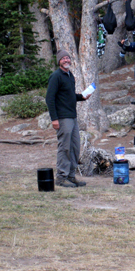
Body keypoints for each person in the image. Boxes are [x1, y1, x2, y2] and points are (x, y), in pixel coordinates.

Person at [45, 50, 91, 188]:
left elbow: (69, 95)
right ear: (59, 61)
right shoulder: (56, 76)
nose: (66, 60)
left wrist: (81, 97)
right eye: (63, 58)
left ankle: (71, 176)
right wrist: (54, 119)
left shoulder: (70, 75)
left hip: (73, 116)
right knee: (64, 147)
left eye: (68, 58)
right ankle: (61, 177)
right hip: (63, 118)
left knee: (75, 147)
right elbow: (49, 98)